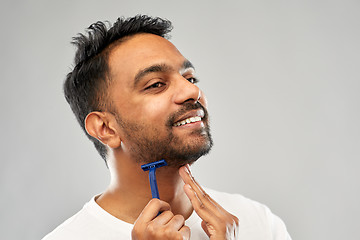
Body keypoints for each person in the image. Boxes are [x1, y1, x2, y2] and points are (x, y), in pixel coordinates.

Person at [43, 15, 292, 240]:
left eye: (190, 78)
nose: (192, 91)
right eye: (155, 84)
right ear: (106, 128)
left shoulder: (258, 223)